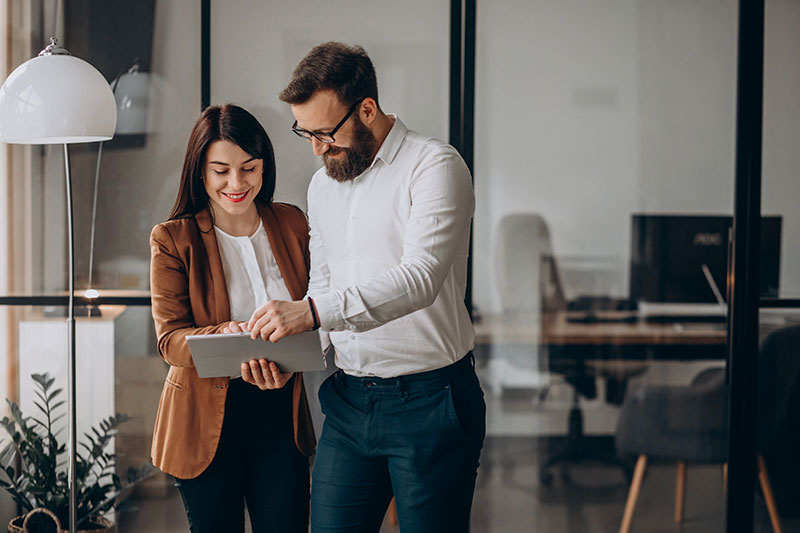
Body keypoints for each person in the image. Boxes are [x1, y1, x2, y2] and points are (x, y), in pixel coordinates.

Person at [242, 42, 486, 532]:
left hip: (431, 400)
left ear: (367, 110)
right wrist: (291, 353)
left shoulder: (435, 167)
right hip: (350, 402)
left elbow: (419, 279)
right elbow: (325, 280)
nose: (316, 148)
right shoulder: (324, 184)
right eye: (305, 133)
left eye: (325, 133)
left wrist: (310, 313)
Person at [148, 104, 315, 533]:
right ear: (199, 172)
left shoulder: (292, 223)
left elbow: (319, 308)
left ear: (264, 167)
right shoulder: (173, 238)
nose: (236, 183)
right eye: (220, 170)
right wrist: (223, 334)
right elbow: (170, 342)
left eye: (249, 168)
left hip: (280, 415)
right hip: (204, 424)